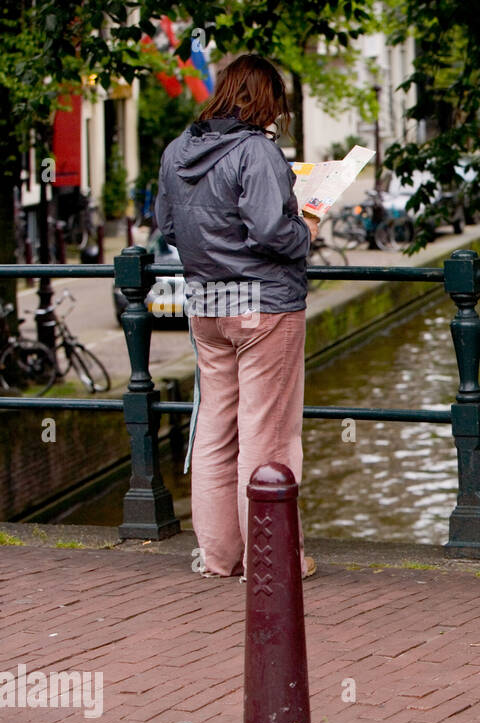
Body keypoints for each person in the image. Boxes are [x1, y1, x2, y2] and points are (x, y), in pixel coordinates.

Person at [154, 54, 318, 580]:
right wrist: (308, 228)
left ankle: (221, 556)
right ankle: (271, 563)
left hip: (207, 306)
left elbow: (169, 227)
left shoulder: (178, 150)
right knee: (266, 436)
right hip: (264, 306)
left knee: (215, 433)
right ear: (269, 101)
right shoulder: (257, 152)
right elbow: (273, 232)